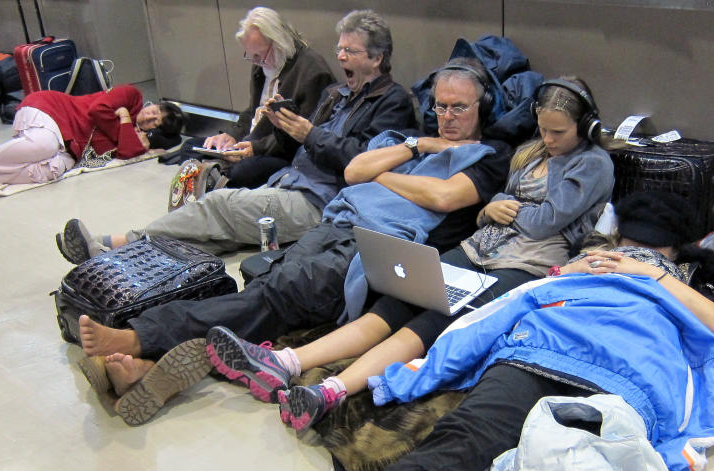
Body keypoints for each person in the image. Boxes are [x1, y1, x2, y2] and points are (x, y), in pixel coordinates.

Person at [240, 191, 714, 471]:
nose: (635, 251)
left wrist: (646, 272)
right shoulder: (587, 263)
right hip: (543, 350)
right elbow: (519, 301)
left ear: (676, 249)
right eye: (631, 243)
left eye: (649, 246)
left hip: (630, 376)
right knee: (468, 433)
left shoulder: (689, 281)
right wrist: (424, 370)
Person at [77, 58, 512, 426]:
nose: (448, 116)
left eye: (459, 107)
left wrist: (383, 175)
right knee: (269, 290)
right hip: (337, 223)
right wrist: (418, 145)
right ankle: (150, 368)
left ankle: (138, 338)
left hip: (377, 250)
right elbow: (355, 171)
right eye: (441, 106)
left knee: (276, 294)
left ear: (482, 107)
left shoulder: (490, 156)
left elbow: (443, 196)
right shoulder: (412, 142)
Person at [206, 77, 618, 431]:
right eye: (543, 130)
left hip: (524, 265)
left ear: (585, 127)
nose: (547, 140)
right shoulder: (534, 155)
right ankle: (286, 362)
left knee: (432, 319)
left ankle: (330, 391)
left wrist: (505, 209)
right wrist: (491, 208)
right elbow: (498, 203)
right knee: (397, 302)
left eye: (558, 133)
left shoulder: (593, 163)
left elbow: (546, 222)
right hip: (478, 248)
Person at [55, 9, 415, 264]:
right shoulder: (337, 93)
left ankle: (115, 245)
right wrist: (283, 126)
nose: (340, 57)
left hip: (321, 202)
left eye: (349, 51)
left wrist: (309, 134)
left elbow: (364, 163)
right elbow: (295, 147)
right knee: (209, 238)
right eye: (339, 48)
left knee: (220, 204)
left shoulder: (393, 102)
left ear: (377, 57)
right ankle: (124, 260)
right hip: (290, 182)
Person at [0, 84, 183, 198]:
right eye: (155, 112)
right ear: (154, 105)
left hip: (71, 147)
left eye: (155, 123)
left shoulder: (131, 128)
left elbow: (127, 152)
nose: (150, 118)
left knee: (50, 170)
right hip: (53, 111)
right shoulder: (131, 95)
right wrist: (123, 123)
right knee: (44, 146)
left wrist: (125, 121)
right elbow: (97, 110)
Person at [202, 6, 335, 188]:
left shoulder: (313, 72)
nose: (256, 61)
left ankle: (218, 181)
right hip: (253, 140)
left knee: (242, 171)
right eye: (251, 55)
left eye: (259, 55)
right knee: (197, 148)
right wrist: (232, 136)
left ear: (279, 44)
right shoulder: (262, 64)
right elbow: (252, 112)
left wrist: (255, 148)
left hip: (282, 152)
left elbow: (303, 135)